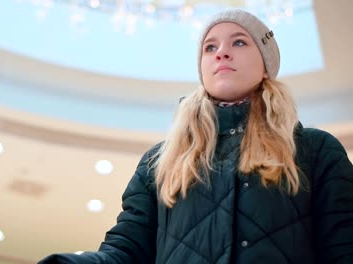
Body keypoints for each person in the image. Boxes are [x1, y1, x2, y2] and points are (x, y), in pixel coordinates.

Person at [39, 9, 353, 264]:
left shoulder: (316, 151)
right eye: (210, 47)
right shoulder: (158, 163)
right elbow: (125, 252)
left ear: (267, 64)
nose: (222, 54)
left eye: (239, 42)